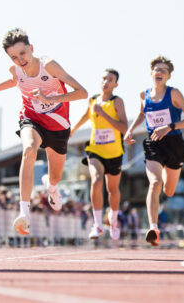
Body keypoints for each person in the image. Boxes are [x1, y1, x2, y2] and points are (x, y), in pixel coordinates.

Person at [0, 28, 88, 235]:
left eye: (22, 53)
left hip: (57, 125)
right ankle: (24, 213)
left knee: (55, 177)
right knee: (29, 149)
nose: (20, 60)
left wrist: (51, 99)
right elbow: (12, 82)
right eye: (13, 57)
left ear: (31, 48)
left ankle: (51, 186)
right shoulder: (16, 70)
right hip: (31, 118)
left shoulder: (49, 65)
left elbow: (82, 93)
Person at [124, 56, 184, 246]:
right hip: (154, 143)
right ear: (151, 73)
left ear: (168, 76)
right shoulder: (144, 94)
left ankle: (167, 174)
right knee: (154, 183)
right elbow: (142, 113)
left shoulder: (174, 94)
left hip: (174, 144)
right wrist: (131, 130)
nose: (159, 72)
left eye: (163, 70)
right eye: (156, 69)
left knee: (169, 190)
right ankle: (153, 227)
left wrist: (169, 127)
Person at [70, 68, 128, 240]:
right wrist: (73, 130)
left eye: (110, 79)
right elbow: (85, 116)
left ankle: (114, 220)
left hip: (114, 152)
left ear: (115, 84)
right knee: (96, 181)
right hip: (95, 149)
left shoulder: (117, 102)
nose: (106, 82)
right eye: (104, 78)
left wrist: (103, 114)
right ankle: (97, 225)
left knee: (113, 190)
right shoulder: (93, 100)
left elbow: (124, 128)